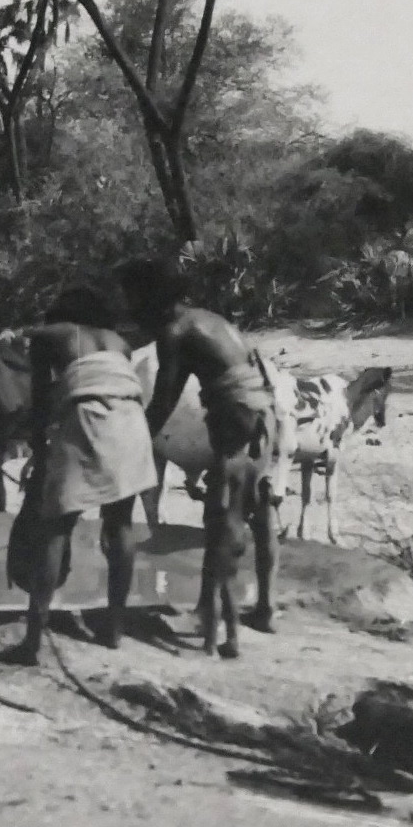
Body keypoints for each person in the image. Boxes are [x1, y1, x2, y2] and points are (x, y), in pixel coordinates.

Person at [118, 257, 280, 659]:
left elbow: (164, 401)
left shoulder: (174, 332)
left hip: (237, 422)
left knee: (222, 524)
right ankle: (263, 609)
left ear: (150, 299)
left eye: (133, 299)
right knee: (260, 513)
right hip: (267, 417)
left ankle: (220, 635)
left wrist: (131, 445)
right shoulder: (209, 319)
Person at [6, 287, 156, 666]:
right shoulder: (119, 342)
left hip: (89, 418)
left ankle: (32, 642)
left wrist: (39, 452)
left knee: (56, 527)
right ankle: (114, 630)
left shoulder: (51, 336)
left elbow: (41, 402)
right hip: (132, 423)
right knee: (120, 525)